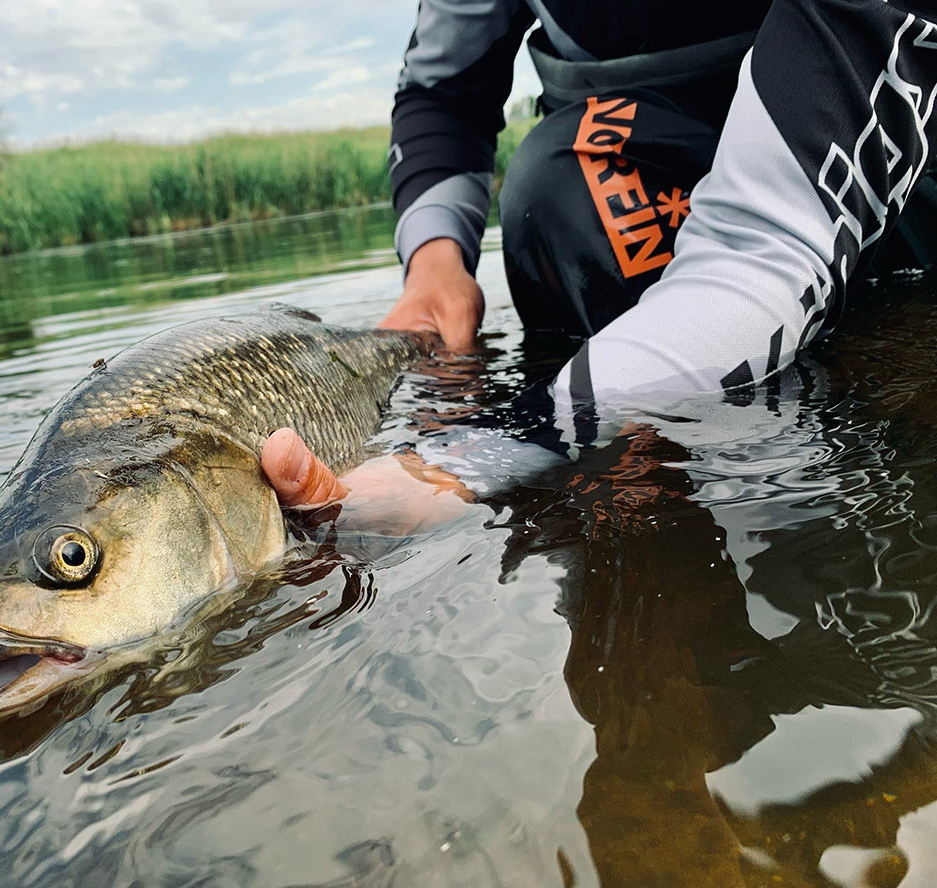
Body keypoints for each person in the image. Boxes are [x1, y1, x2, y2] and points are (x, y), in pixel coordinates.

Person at [260, 0, 937, 512]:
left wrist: (481, 457)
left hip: (884, 156)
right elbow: (441, 92)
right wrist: (435, 263)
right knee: (555, 197)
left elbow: (765, 246)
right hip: (627, 164)